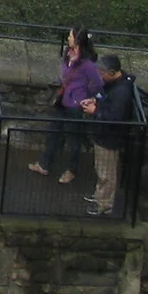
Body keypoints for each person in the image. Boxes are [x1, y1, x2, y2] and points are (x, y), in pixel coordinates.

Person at [33, 28, 102, 187]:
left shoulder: (88, 64)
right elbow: (65, 73)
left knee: (73, 139)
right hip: (62, 100)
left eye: (70, 35)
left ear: (77, 39)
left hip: (75, 106)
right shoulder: (69, 55)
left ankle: (72, 169)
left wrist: (84, 96)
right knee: (53, 132)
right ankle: (44, 164)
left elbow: (98, 83)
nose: (68, 38)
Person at [86, 54, 142, 217]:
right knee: (101, 169)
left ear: (111, 72)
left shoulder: (121, 92)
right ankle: (99, 195)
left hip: (110, 138)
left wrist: (95, 111)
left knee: (107, 173)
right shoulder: (113, 85)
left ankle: (105, 204)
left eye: (101, 73)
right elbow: (104, 99)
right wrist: (95, 102)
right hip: (103, 135)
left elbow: (115, 118)